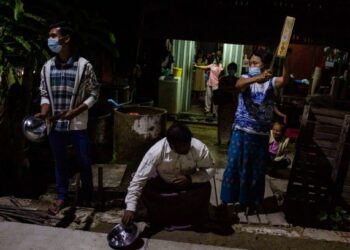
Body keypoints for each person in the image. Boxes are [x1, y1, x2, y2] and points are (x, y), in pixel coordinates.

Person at [36, 21, 100, 214]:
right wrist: (44, 111)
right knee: (60, 161)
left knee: (84, 161)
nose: (50, 40)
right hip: (55, 125)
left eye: (53, 36)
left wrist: (77, 111)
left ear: (66, 39)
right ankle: (62, 196)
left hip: (77, 124)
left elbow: (95, 94)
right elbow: (44, 93)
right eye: (50, 36)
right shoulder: (47, 67)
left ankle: (87, 196)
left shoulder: (83, 66)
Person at [220, 46, 290, 215]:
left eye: (255, 63)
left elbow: (284, 80)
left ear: (264, 65)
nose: (251, 65)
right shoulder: (246, 77)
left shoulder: (271, 81)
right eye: (250, 62)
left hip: (260, 134)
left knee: (256, 169)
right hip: (241, 131)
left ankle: (251, 202)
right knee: (234, 164)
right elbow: (238, 84)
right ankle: (226, 201)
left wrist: (286, 60)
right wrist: (258, 77)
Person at [122, 123, 215, 227]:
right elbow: (139, 179)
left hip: (189, 184)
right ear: (171, 145)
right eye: (183, 146)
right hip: (163, 184)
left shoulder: (199, 148)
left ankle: (190, 217)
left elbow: (210, 169)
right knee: (146, 189)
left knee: (205, 187)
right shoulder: (155, 152)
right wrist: (130, 208)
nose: (187, 148)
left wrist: (191, 179)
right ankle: (166, 215)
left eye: (188, 143)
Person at [212, 62, 239, 145]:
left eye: (232, 70)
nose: (231, 71)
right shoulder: (233, 80)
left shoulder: (225, 79)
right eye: (230, 69)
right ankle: (222, 140)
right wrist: (232, 90)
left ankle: (225, 140)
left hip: (228, 104)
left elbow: (226, 89)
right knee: (224, 123)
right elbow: (233, 89)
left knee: (227, 123)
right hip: (226, 104)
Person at [194, 51, 224, 116]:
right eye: (214, 59)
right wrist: (197, 66)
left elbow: (222, 73)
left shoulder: (220, 66)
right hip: (209, 83)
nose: (214, 60)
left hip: (216, 84)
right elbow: (205, 67)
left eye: (216, 59)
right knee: (208, 97)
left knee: (215, 98)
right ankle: (207, 110)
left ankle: (214, 112)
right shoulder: (212, 65)